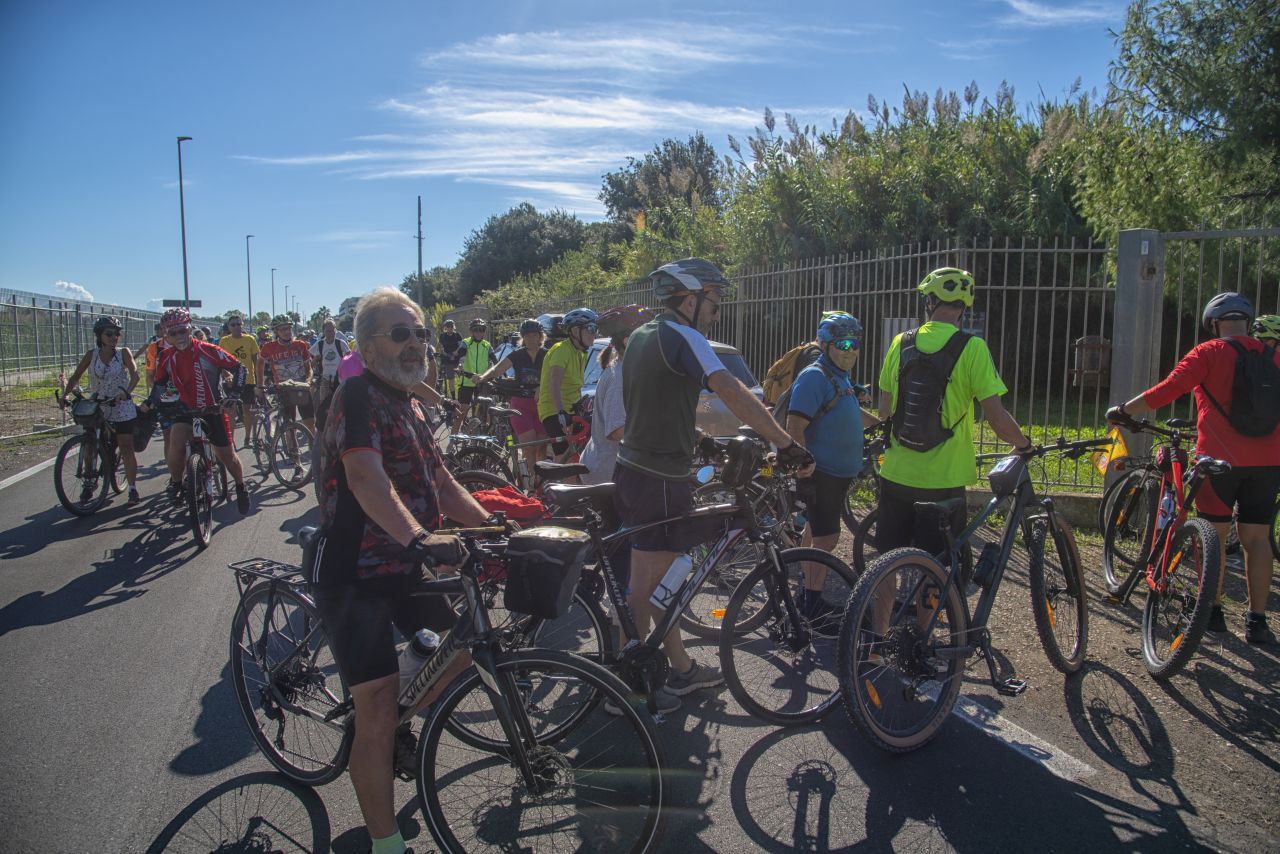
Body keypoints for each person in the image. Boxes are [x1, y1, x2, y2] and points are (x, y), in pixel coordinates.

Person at [308, 287, 489, 854]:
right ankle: (385, 843)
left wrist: (491, 528)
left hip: (407, 563)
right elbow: (365, 479)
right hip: (353, 572)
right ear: (367, 345)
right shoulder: (356, 395)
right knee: (378, 711)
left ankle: (399, 701)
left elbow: (440, 482)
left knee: (462, 655)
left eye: (422, 334)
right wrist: (420, 537)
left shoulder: (410, 403)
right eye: (401, 333)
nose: (417, 344)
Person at [616, 258, 814, 711]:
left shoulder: (642, 336)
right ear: (691, 299)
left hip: (639, 469)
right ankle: (622, 683)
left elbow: (652, 407)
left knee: (663, 579)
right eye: (714, 301)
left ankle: (681, 668)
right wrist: (784, 443)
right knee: (645, 584)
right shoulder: (685, 336)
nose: (717, 312)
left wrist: (701, 441)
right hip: (658, 478)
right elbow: (729, 388)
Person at [1107, 292, 1279, 644]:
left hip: (1219, 461)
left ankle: (1212, 613)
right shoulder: (1274, 356)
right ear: (1248, 322)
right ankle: (1257, 621)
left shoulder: (1208, 352)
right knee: (1257, 539)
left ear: (1213, 323)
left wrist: (1125, 410)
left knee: (1212, 536)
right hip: (1269, 463)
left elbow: (1168, 390)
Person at [876, 267, 1032, 562]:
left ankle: (882, 610)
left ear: (929, 303)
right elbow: (997, 418)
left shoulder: (900, 342)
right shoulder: (973, 348)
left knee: (887, 563)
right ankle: (930, 609)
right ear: (963, 308)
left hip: (896, 472)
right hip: (943, 482)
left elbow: (884, 411)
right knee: (934, 571)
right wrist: (1023, 444)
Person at [783, 311, 878, 633]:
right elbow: (795, 424)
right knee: (827, 538)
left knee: (814, 534)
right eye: (842, 344)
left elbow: (850, 408)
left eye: (855, 344)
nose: (850, 350)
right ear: (824, 346)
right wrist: (802, 462)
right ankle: (813, 604)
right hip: (820, 472)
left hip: (837, 474)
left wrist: (883, 428)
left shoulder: (838, 377)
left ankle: (807, 596)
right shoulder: (815, 376)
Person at [147, 308, 251, 514]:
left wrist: (234, 395)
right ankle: (176, 483)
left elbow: (240, 368)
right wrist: (152, 403)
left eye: (182, 331)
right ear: (166, 336)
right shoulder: (166, 357)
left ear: (190, 329)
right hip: (185, 410)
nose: (179, 336)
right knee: (176, 442)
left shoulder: (208, 349)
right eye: (172, 333)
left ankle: (240, 486)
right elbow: (159, 385)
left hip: (213, 408)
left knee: (226, 455)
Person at [61, 316, 143, 504]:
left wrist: (126, 392)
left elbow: (135, 376)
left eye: (117, 333)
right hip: (99, 404)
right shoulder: (92, 354)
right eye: (109, 333)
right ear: (100, 335)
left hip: (120, 403)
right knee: (89, 444)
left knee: (126, 446)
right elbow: (75, 376)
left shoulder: (123, 353)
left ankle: (132, 488)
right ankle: (89, 482)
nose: (114, 337)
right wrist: (65, 395)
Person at [580, 305, 652, 486]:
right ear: (629, 341)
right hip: (609, 474)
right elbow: (617, 430)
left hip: (619, 469)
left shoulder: (628, 370)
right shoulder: (619, 378)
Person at [474, 318, 548, 489]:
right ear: (523, 337)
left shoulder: (547, 354)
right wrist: (483, 377)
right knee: (528, 447)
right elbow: (498, 368)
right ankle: (531, 485)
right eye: (527, 336)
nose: (531, 339)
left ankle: (540, 483)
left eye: (535, 336)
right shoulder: (517, 354)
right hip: (520, 404)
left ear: (540, 337)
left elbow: (554, 375)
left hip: (542, 404)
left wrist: (540, 387)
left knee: (542, 448)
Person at [537, 308, 597, 461]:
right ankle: (551, 481)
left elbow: (575, 386)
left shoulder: (581, 353)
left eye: (595, 329)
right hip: (554, 410)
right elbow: (554, 382)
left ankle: (549, 479)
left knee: (578, 456)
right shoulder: (561, 350)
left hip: (570, 408)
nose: (594, 333)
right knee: (567, 461)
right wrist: (561, 413)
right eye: (590, 328)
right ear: (576, 331)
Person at [258, 315, 315, 433]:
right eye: (283, 329)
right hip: (283, 388)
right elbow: (260, 362)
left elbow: (308, 367)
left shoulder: (300, 345)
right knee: (289, 422)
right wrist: (260, 384)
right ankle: (292, 448)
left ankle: (313, 449)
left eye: (288, 328)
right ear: (276, 331)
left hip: (301, 387)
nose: (287, 332)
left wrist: (309, 380)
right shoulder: (269, 347)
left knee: (310, 423)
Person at [219, 313, 261, 450]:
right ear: (229, 327)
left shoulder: (250, 339)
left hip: (248, 381)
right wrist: (227, 376)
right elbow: (220, 362)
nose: (236, 327)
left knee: (247, 411)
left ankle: (247, 438)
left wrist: (260, 380)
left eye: (239, 324)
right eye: (233, 325)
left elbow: (256, 360)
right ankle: (230, 441)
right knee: (231, 411)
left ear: (242, 325)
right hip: (231, 381)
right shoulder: (224, 341)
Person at [454, 318, 496, 431]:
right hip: (467, 380)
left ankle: (477, 433)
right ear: (471, 331)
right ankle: (453, 440)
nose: (478, 332)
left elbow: (495, 361)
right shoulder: (466, 342)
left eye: (481, 330)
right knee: (462, 411)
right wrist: (460, 367)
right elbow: (461, 356)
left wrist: (502, 374)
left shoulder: (487, 345)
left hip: (481, 381)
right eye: (475, 330)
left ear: (484, 331)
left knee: (483, 411)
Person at [310, 317, 350, 406]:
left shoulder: (341, 343)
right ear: (323, 331)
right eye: (328, 331)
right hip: (325, 379)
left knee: (341, 405)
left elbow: (350, 358)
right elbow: (312, 361)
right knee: (324, 406)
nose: (331, 333)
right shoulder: (319, 344)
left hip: (340, 379)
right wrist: (310, 375)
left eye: (333, 330)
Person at [436, 319, 463, 398]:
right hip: (447, 359)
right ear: (445, 327)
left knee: (462, 377)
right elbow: (438, 347)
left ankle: (462, 394)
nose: (450, 328)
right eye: (448, 327)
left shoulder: (457, 335)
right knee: (451, 379)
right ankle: (454, 397)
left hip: (457, 359)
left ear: (454, 327)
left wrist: (456, 351)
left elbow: (462, 345)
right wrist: (441, 352)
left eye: (451, 326)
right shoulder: (442, 336)